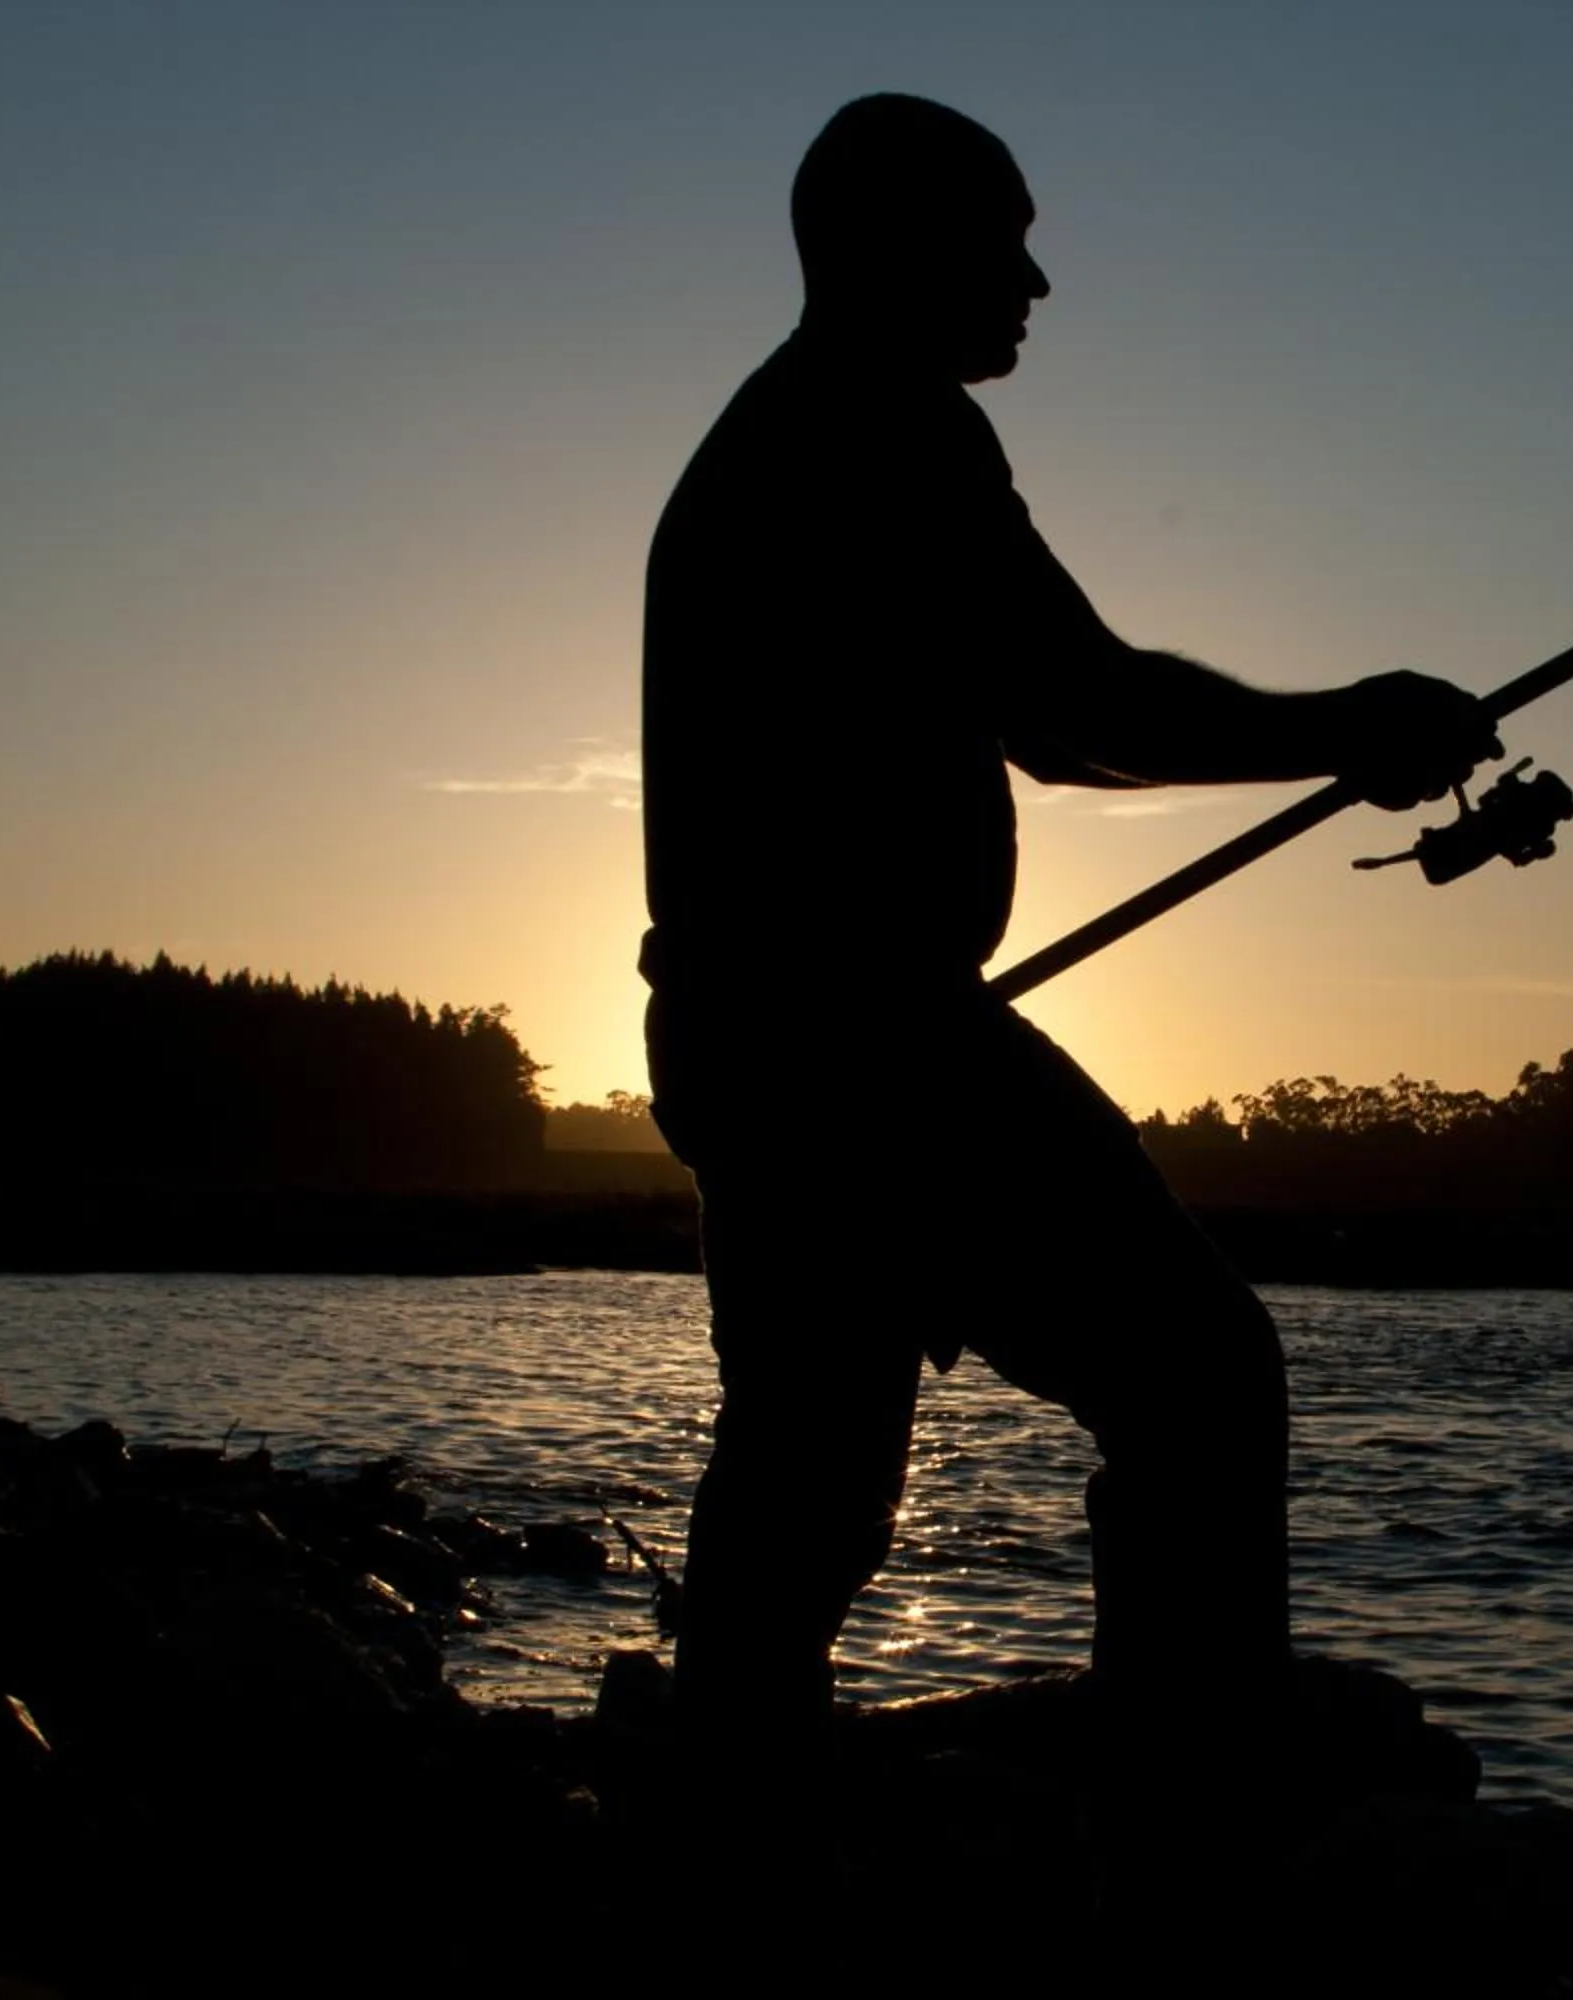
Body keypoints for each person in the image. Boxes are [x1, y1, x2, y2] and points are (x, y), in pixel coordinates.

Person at [639, 94, 1496, 1774]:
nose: (1038, 280)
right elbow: (1075, 702)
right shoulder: (884, 426)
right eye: (1005, 238)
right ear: (895, 247)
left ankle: (708, 1820)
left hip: (761, 1040)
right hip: (867, 1045)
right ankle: (1189, 1834)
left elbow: (1049, 708)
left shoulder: (793, 428)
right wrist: (1351, 721)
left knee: (810, 1472)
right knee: (1200, 1382)